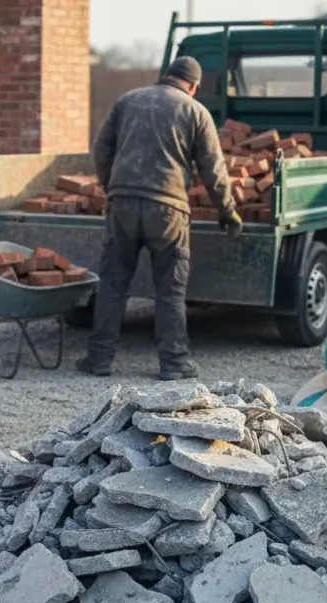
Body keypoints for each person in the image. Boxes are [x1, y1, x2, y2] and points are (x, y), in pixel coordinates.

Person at [77, 55, 242, 381]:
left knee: (112, 284)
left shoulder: (128, 99)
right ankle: (174, 363)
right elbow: (213, 170)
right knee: (169, 290)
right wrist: (228, 211)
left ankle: (99, 360)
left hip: (121, 205)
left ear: (166, 75)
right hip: (168, 211)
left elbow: (100, 149)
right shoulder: (196, 111)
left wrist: (112, 187)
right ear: (193, 86)